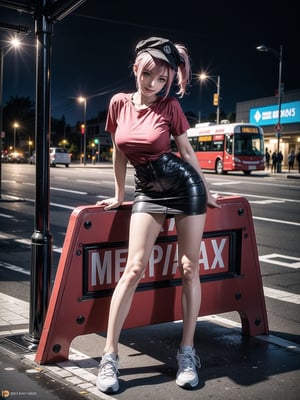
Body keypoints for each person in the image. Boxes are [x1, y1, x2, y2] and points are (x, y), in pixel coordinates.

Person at [96, 36, 220, 394]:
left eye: (163, 80)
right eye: (149, 75)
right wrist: (119, 195)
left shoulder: (170, 108)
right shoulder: (118, 103)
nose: (154, 85)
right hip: (147, 193)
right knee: (133, 269)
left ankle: (187, 351)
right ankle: (109, 356)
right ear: (136, 67)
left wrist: (208, 191)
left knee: (189, 268)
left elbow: (187, 152)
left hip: (185, 190)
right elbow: (119, 154)